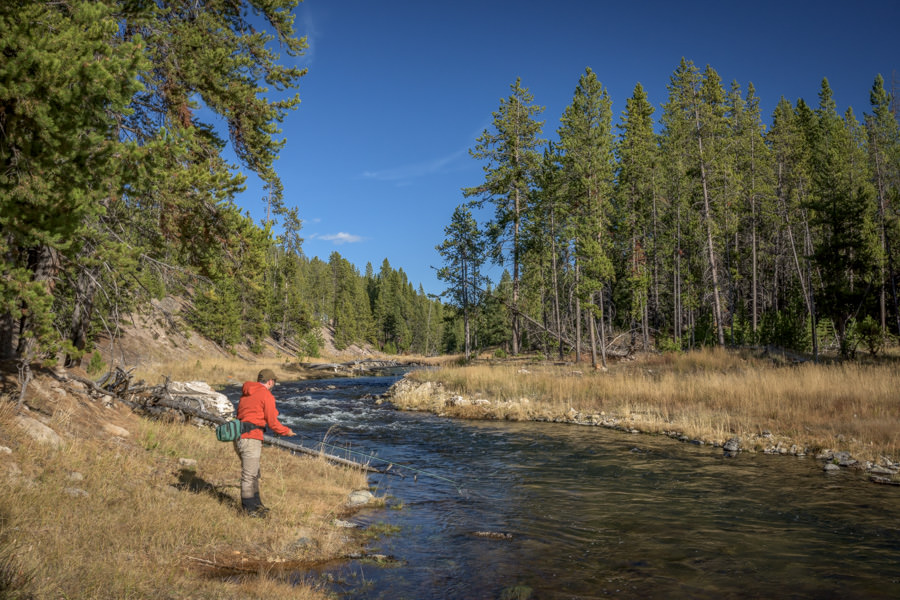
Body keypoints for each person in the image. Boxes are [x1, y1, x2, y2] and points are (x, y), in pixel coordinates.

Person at [233, 368, 294, 517]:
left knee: (253, 473)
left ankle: (257, 505)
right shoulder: (266, 395)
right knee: (249, 475)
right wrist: (286, 431)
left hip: (238, 436)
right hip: (251, 438)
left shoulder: (247, 392)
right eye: (274, 382)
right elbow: (273, 422)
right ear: (270, 381)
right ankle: (248, 511)